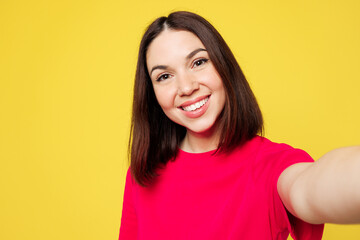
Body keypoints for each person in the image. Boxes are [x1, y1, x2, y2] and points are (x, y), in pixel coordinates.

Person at [119, 11, 360, 240]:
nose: (185, 87)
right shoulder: (142, 175)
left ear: (224, 66)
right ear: (152, 94)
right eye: (164, 76)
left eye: (199, 62)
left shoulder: (271, 167)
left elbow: (315, 186)